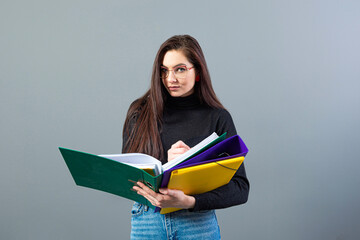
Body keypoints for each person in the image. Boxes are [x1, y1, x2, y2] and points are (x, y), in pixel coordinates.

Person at [122, 35, 249, 239]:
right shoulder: (140, 112)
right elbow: (127, 177)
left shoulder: (217, 117)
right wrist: (166, 169)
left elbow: (240, 188)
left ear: (197, 72)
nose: (170, 79)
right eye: (164, 70)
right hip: (147, 221)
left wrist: (190, 194)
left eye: (180, 69)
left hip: (196, 223)